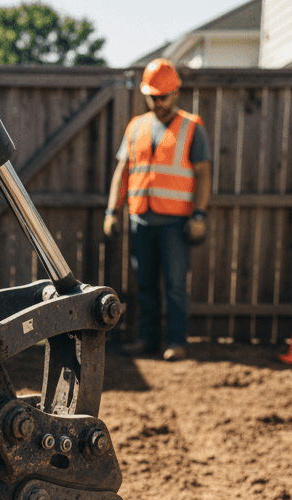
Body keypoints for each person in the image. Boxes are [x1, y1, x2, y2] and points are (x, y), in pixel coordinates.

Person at [104, 58, 211, 362]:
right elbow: (122, 172)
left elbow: (203, 174)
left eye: (163, 97)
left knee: (175, 285)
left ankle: (177, 341)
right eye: (152, 97)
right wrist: (112, 211)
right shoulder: (136, 127)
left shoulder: (192, 128)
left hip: (175, 222)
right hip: (141, 220)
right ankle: (148, 339)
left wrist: (199, 215)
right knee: (145, 284)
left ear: (176, 93)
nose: (157, 103)